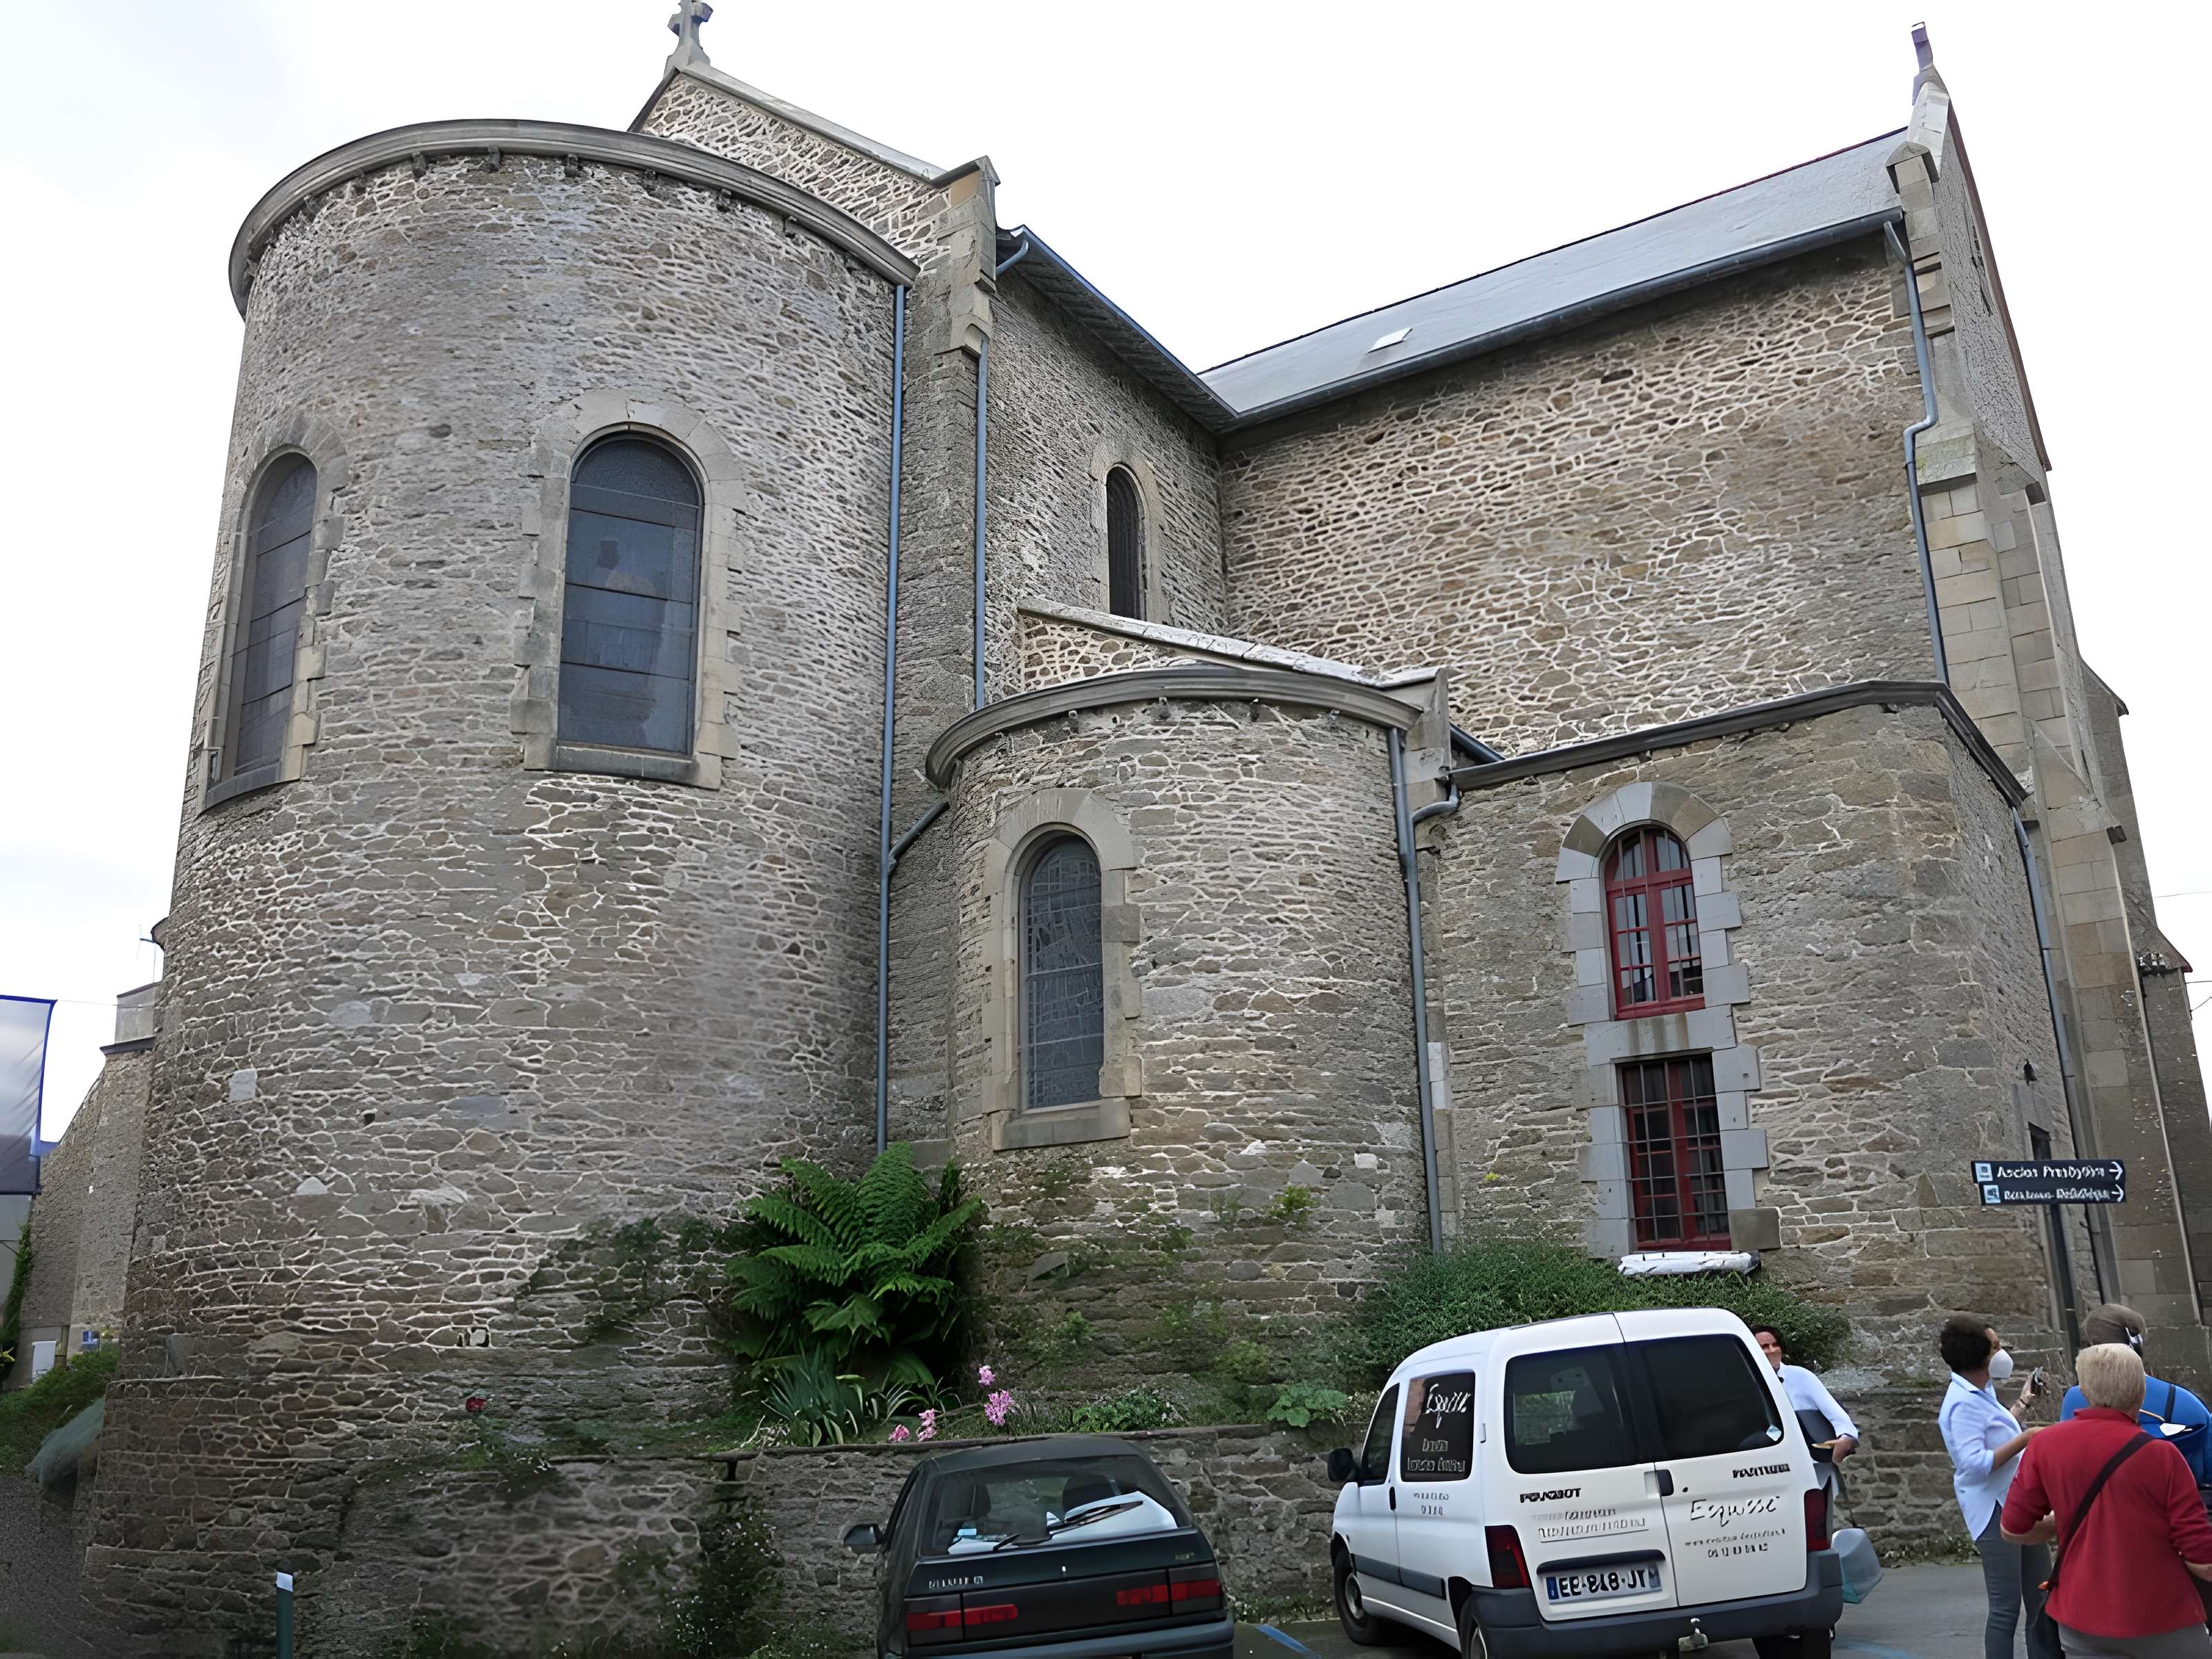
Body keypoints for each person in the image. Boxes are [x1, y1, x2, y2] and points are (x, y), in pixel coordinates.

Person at [2002, 1342, 2212, 1658]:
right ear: (2141, 1392)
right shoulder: (2163, 1456)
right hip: (2162, 1616)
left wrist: (2063, 1520)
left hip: (2081, 1617)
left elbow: (2013, 1529)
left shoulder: (2045, 1445)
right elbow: (2202, 1559)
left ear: (2085, 1391)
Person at [1938, 1314, 2059, 1659]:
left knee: (2041, 1596)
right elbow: (1974, 1465)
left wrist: (2023, 1404)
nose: (2002, 1353)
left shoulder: (1981, 1391)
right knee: (2006, 1608)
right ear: (1978, 1356)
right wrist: (2028, 1438)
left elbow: (1995, 1430)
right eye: (1995, 1347)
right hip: (1993, 1511)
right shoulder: (1961, 1404)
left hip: (2018, 1504)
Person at [2059, 1304, 2212, 1491]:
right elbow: (2207, 1473)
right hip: (2172, 1502)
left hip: (2099, 1505)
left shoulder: (2073, 1399)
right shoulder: (2185, 1402)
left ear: (2092, 1345)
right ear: (2138, 1343)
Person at [1754, 1324, 1859, 1461]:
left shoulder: (1801, 1376)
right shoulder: (1750, 1384)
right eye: (1765, 1347)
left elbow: (1838, 1417)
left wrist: (1844, 1440)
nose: (1772, 1350)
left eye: (1775, 1345)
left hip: (1813, 1459)